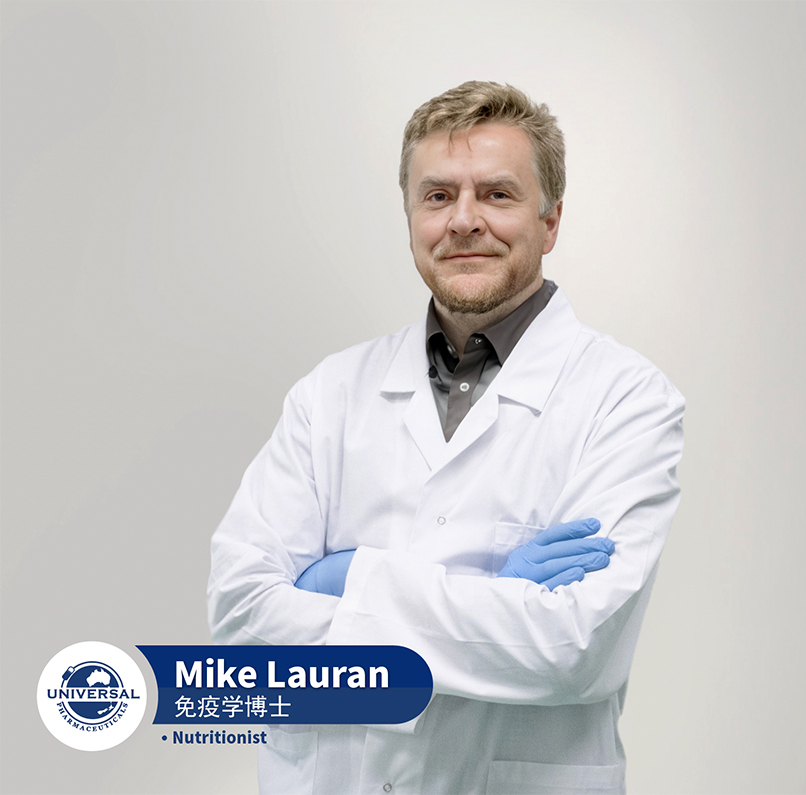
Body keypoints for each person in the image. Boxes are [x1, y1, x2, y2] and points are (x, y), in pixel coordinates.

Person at [208, 81, 685, 795]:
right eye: (437, 196)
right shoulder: (329, 394)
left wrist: (343, 579)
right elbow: (240, 621)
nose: (463, 220)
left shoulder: (627, 399)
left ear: (550, 220)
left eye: (497, 194)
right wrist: (492, 599)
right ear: (410, 218)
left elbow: (572, 648)